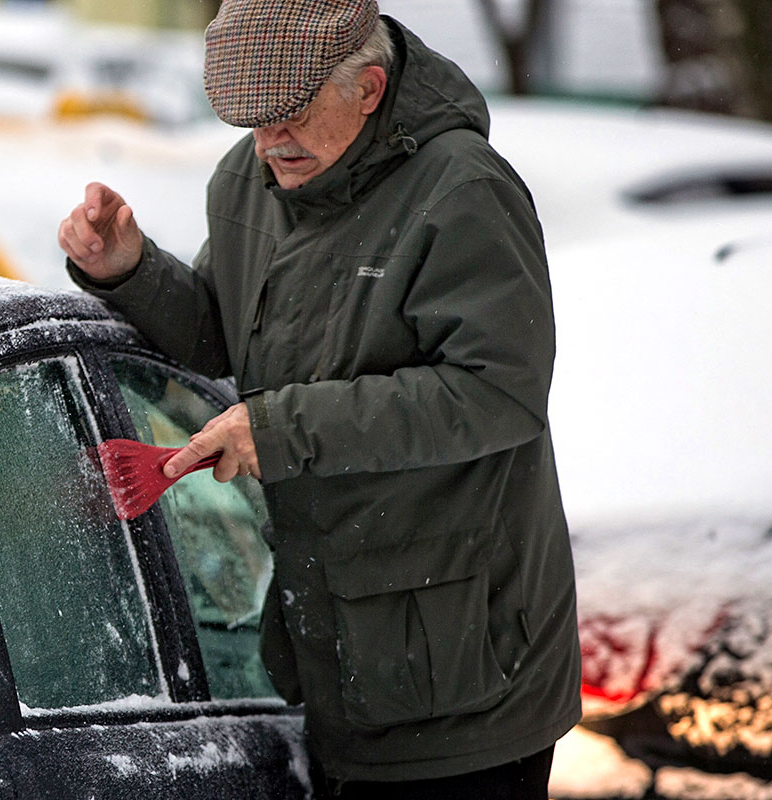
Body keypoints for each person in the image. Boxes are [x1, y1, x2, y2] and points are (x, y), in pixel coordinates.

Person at [57, 0, 580, 796]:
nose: (270, 142)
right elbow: (226, 337)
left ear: (369, 89)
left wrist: (281, 429)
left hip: (464, 674)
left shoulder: (463, 192)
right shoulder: (251, 176)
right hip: (339, 648)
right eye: (253, 120)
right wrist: (128, 270)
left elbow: (497, 392)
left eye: (291, 114)